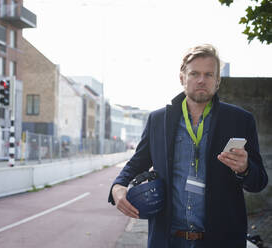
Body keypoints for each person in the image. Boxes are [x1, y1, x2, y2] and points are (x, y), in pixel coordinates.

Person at [108, 44, 268, 248]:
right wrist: (117, 186)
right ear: (182, 78)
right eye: (194, 73)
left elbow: (259, 182)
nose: (202, 80)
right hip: (167, 240)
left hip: (222, 241)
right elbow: (136, 163)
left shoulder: (240, 120)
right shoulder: (158, 120)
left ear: (218, 81)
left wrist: (245, 168)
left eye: (209, 74)